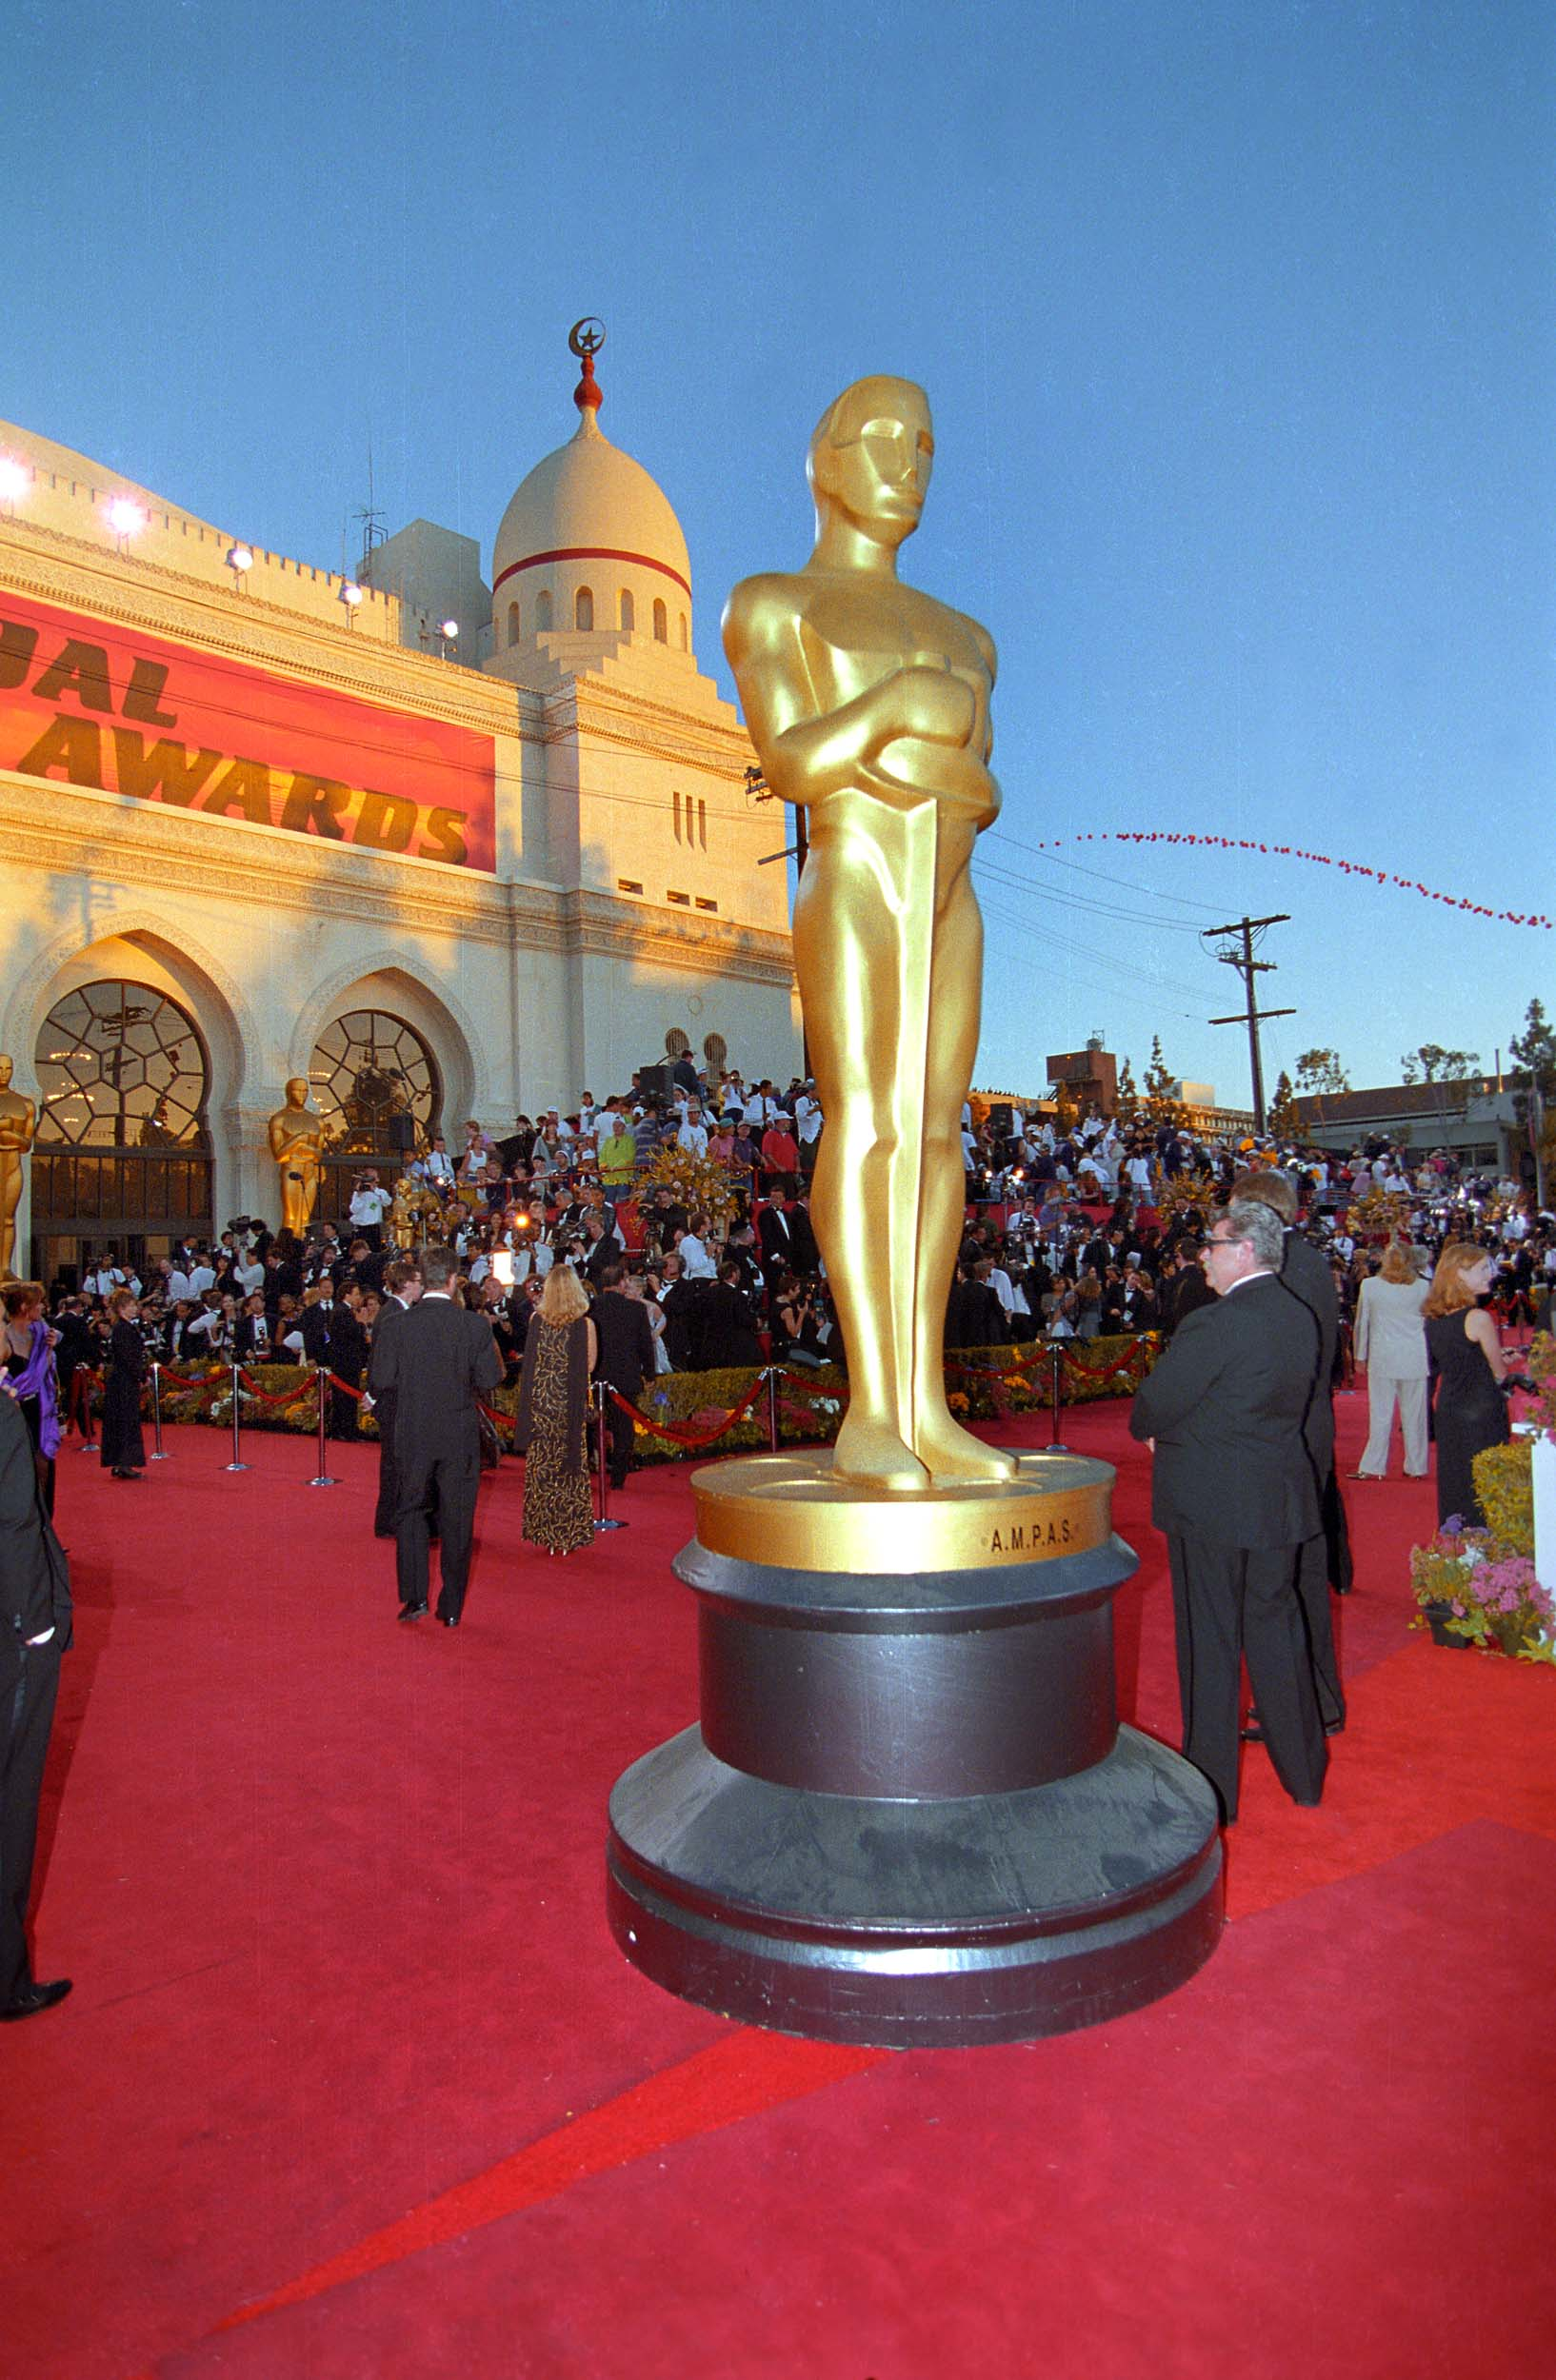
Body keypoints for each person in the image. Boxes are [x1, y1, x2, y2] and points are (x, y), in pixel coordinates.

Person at [724, 373, 1015, 1490]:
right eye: (882, 440)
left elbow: (978, 782)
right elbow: (793, 762)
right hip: (852, 871)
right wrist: (899, 711)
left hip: (949, 888)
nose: (907, 465)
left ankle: (924, 1404)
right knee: (870, 1123)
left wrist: (912, 744)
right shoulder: (773, 605)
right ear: (826, 460)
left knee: (936, 1131)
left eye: (926, 447)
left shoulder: (969, 636)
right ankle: (869, 1407)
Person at [1129, 1200, 1328, 1823]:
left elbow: (1150, 1409)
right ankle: (1305, 1775)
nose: (1203, 1258)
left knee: (1209, 1645)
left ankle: (1212, 1792)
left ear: (1243, 1249)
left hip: (1212, 1505)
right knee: (1278, 1631)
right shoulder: (1300, 1316)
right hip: (1279, 1498)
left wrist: (1171, 1432)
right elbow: (1256, 1400)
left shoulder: (1216, 1324)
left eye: (1212, 1246)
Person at [373, 1245, 504, 1626]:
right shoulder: (474, 1325)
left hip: (412, 1432)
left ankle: (414, 1599)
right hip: (457, 1435)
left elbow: (381, 1380)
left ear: (423, 1280)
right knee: (458, 1520)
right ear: (452, 1281)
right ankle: (451, 1608)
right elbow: (490, 1380)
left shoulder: (397, 1325)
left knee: (410, 1511)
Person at [0, 1378, 72, 2020]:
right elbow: (16, 1517)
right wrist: (37, 1623)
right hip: (10, 1634)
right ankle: (5, 1980)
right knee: (11, 1800)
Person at [513, 1261, 597, 1555]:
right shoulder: (585, 1325)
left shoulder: (537, 1320)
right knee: (570, 1468)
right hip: (569, 1406)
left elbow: (530, 1365)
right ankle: (567, 1534)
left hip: (540, 1404)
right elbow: (589, 1365)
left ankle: (545, 1532)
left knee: (543, 1469)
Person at [1424, 1241, 1509, 1528]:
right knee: (1486, 1484)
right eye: (1483, 1268)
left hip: (1449, 1407)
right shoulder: (1479, 1318)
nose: (1490, 1274)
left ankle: (1457, 1537)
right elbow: (1499, 1373)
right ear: (1460, 1274)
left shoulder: (1433, 1318)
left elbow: (1455, 1358)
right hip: (1482, 1410)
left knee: (1456, 1480)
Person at [1353, 1242, 1430, 1479]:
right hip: (1414, 1355)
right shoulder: (1423, 1287)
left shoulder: (1370, 1286)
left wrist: (1360, 1355)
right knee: (1415, 1415)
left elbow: (1361, 1324)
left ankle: (1373, 1466)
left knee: (1380, 1413)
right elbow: (1428, 1323)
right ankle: (1416, 1466)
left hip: (1382, 1355)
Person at [590, 1259, 656, 1491]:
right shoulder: (636, 1309)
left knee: (590, 1424)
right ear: (622, 1283)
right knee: (623, 1428)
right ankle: (618, 1477)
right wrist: (649, 1374)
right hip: (625, 1376)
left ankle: (590, 1467)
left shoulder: (590, 1306)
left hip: (595, 1376)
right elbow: (645, 1345)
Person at [3, 1282, 62, 1519]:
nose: (43, 1307)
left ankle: (45, 1530)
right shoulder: (3, 1338)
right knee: (19, 1472)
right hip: (14, 1413)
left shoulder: (39, 1331)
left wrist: (52, 1344)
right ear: (25, 1307)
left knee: (44, 1468)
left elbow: (53, 1348)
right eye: (38, 1303)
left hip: (40, 1410)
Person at [98, 1288, 147, 1480]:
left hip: (122, 1380)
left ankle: (120, 1462)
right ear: (122, 1308)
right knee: (126, 1421)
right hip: (124, 1381)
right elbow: (128, 1357)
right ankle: (124, 1463)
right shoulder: (123, 1329)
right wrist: (141, 1375)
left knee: (121, 1421)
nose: (136, 1308)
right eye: (133, 1305)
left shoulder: (122, 1327)